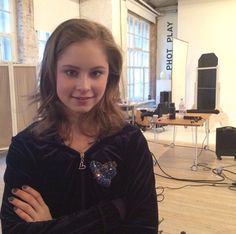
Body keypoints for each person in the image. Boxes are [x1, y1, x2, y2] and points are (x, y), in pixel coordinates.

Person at [0, 18, 158, 233]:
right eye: (71, 72)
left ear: (109, 76)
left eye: (96, 73)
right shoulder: (27, 147)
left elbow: (144, 226)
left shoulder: (129, 142)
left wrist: (50, 226)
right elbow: (13, 230)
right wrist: (112, 212)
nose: (84, 86)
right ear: (51, 72)